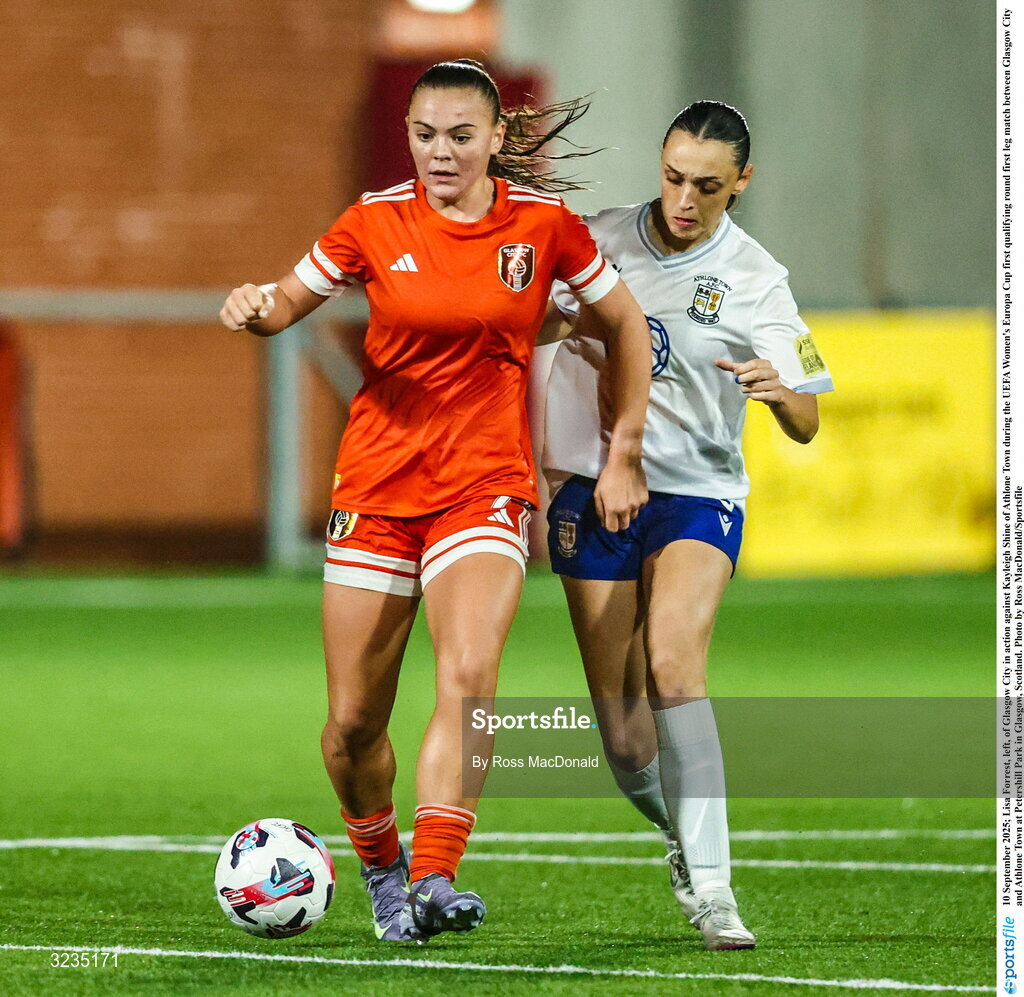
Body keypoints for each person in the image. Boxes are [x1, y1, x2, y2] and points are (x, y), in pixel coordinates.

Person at [219, 59, 651, 943]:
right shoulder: (373, 221)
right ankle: (382, 869)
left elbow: (627, 322)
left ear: (497, 137)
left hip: (485, 485)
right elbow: (285, 305)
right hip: (377, 489)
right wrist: (255, 305)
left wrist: (625, 447)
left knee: (468, 675)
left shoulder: (546, 228)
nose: (440, 152)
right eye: (425, 134)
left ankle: (435, 875)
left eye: (461, 135)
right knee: (350, 728)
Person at [540, 100, 834, 950]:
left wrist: (785, 395)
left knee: (675, 665)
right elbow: (534, 322)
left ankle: (714, 892)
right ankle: (679, 828)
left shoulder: (758, 278)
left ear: (741, 182)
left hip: (698, 495)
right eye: (672, 177)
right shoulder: (596, 240)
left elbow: (811, 411)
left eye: (707, 185)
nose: (683, 199)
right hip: (593, 491)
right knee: (625, 735)